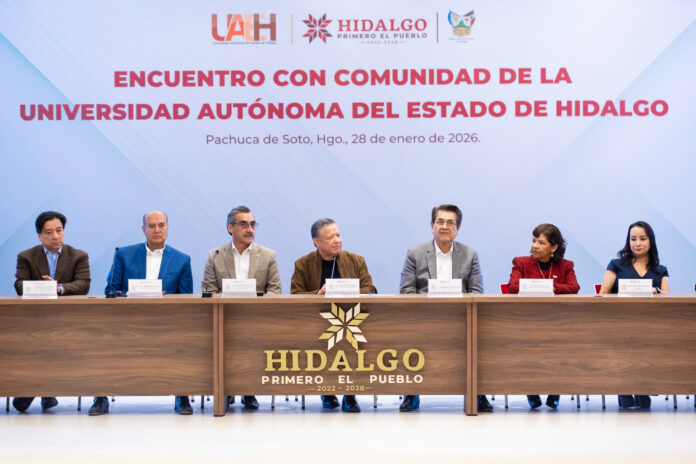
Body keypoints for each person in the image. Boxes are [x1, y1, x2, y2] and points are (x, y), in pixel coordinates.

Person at [94, 210, 193, 416]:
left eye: (161, 225)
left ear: (168, 228)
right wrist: (131, 294)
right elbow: (110, 291)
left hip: (166, 322)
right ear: (143, 229)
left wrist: (165, 299)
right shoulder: (123, 254)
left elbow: (186, 298)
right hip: (127, 320)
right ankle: (100, 397)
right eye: (151, 226)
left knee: (187, 338)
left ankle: (182, 395)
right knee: (100, 339)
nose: (157, 230)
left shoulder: (182, 259)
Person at [398, 204, 492, 412]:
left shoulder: (469, 254)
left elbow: (476, 291)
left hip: (461, 317)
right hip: (424, 317)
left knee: (481, 336)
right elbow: (406, 291)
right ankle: (412, 392)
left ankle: (478, 392)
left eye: (450, 223)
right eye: (440, 222)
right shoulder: (415, 253)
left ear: (458, 228)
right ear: (432, 225)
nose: (444, 226)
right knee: (408, 333)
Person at [291, 218, 377, 412]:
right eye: (331, 237)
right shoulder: (303, 264)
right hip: (316, 322)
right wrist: (317, 294)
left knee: (352, 342)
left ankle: (350, 394)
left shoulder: (356, 260)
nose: (337, 240)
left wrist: (349, 292)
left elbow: (370, 289)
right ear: (316, 242)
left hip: (353, 319)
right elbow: (295, 294)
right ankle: (326, 391)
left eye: (338, 235)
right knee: (323, 342)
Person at [201, 205, 281, 410]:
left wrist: (255, 309)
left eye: (253, 224)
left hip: (257, 318)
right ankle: (226, 389)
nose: (250, 229)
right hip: (224, 317)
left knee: (250, 336)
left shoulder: (268, 255)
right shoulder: (216, 255)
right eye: (244, 224)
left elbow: (275, 291)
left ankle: (249, 390)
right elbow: (208, 291)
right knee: (225, 337)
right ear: (230, 228)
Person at [12, 211, 91, 413]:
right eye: (49, 232)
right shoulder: (26, 257)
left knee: (56, 344)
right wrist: (44, 287)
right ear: (39, 236)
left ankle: (36, 392)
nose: (56, 236)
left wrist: (58, 288)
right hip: (36, 320)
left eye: (59, 230)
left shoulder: (79, 256)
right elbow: (19, 285)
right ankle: (44, 392)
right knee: (35, 343)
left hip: (69, 319)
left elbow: (83, 284)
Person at [507, 223, 580, 409]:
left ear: (554, 247)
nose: (534, 246)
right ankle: (531, 389)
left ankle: (555, 389)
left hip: (557, 321)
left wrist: (549, 287)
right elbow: (513, 287)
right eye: (533, 241)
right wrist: (547, 287)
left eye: (541, 242)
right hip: (526, 320)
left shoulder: (566, 266)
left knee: (559, 348)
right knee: (528, 349)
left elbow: (574, 287)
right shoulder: (521, 263)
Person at [599, 220, 668, 410]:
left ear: (651, 241)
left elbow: (666, 298)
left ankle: (643, 390)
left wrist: (655, 291)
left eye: (642, 239)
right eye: (633, 239)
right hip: (619, 323)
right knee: (623, 349)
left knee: (647, 350)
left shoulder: (660, 269)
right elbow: (603, 294)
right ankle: (624, 390)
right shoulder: (616, 265)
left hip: (649, 324)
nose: (637, 243)